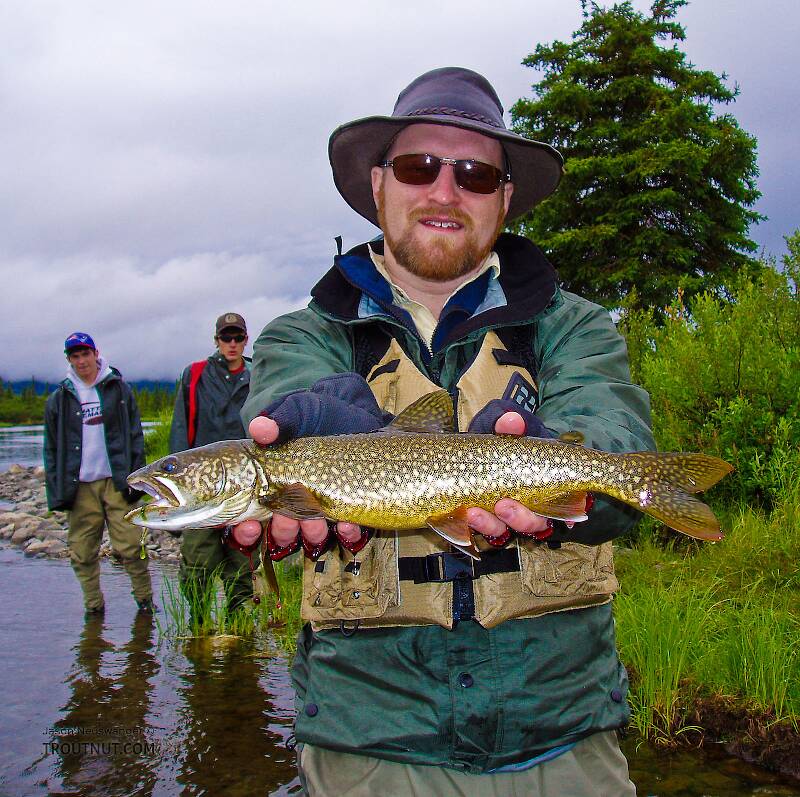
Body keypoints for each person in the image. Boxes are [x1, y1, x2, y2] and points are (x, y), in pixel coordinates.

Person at [236, 68, 653, 795]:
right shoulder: (300, 334)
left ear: (506, 197)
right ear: (378, 186)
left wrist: (559, 457)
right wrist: (323, 427)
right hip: (371, 742)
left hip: (564, 735)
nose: (444, 190)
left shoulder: (576, 326)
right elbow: (290, 396)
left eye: (475, 174)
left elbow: (613, 429)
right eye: (418, 166)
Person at [44, 332, 154, 616]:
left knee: (131, 546)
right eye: (75, 356)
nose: (82, 361)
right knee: (82, 551)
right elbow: (52, 448)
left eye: (85, 354)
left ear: (96, 354)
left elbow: (135, 435)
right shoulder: (59, 398)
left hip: (116, 481)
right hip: (79, 485)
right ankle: (93, 607)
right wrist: (56, 492)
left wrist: (138, 479)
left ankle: (144, 603)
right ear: (69, 360)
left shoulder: (118, 389)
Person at [169, 312, 258, 615]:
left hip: (247, 485)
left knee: (243, 561)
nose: (232, 344)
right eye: (226, 337)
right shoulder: (194, 375)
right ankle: (198, 623)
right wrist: (175, 495)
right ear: (217, 340)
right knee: (197, 561)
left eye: (238, 337)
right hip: (201, 486)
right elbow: (180, 431)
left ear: (246, 340)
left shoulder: (258, 374)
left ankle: (241, 629)